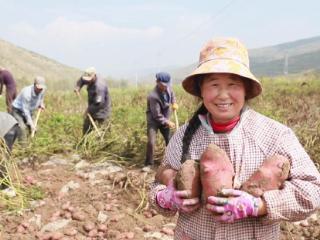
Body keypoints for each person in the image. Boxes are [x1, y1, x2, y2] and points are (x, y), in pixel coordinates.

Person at [149, 37, 320, 239]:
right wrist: (165, 197)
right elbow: (159, 181)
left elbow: (313, 190)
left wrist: (260, 205)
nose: (223, 95)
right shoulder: (185, 136)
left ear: (246, 89)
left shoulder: (275, 135)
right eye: (213, 85)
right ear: (201, 90)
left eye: (233, 85)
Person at [145, 72, 178, 166]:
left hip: (165, 118)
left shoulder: (168, 87)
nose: (165, 87)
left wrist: (174, 102)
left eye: (167, 85)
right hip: (154, 121)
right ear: (157, 82)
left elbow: (172, 95)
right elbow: (157, 115)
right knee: (151, 142)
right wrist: (167, 122)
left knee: (170, 140)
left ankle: (172, 160)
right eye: (163, 85)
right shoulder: (153, 96)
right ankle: (148, 164)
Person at [74, 67, 111, 135]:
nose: (87, 81)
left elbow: (99, 104)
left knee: (104, 131)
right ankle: (85, 142)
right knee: (86, 128)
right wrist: (77, 87)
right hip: (92, 105)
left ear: (94, 76)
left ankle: (105, 143)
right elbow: (81, 80)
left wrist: (88, 110)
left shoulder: (99, 87)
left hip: (102, 110)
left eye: (89, 79)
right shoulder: (88, 77)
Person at [11, 76, 46, 141]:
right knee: (22, 128)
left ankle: (32, 142)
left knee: (35, 128)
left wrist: (41, 104)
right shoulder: (27, 93)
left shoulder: (42, 90)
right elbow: (26, 111)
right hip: (17, 110)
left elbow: (41, 98)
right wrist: (31, 124)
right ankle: (23, 146)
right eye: (39, 88)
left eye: (42, 88)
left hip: (30, 110)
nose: (40, 90)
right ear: (34, 85)